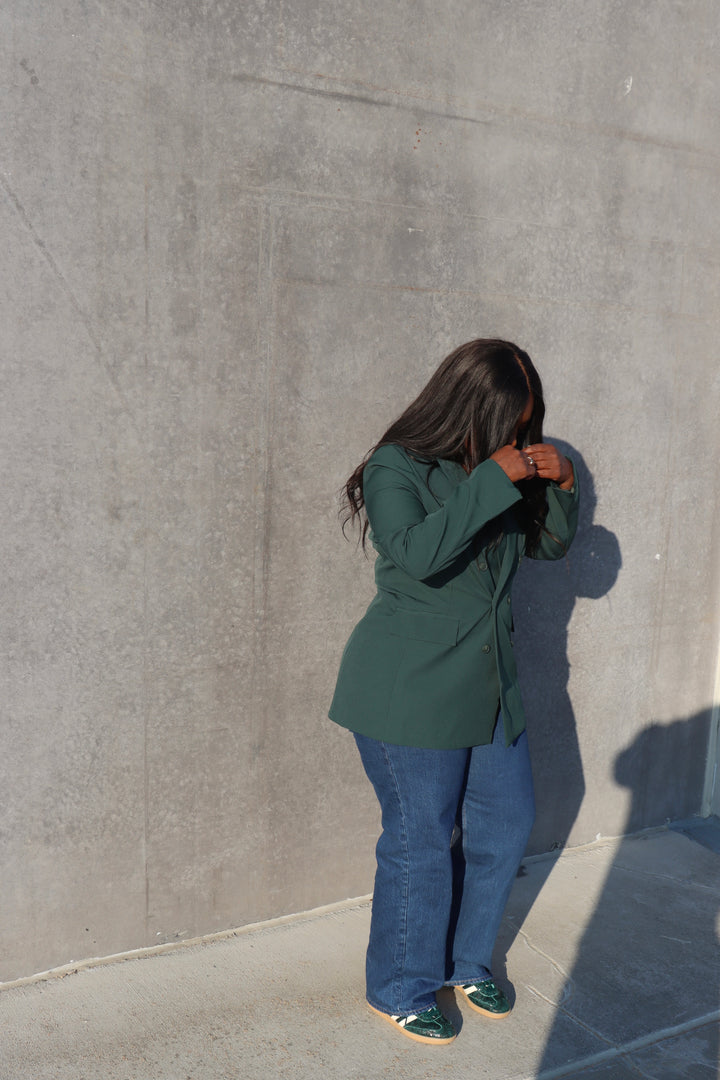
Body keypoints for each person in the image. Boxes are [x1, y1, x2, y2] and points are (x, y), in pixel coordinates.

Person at [329, 338, 579, 1045]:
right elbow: (416, 554)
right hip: (409, 690)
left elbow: (550, 547)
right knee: (421, 840)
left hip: (490, 682)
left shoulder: (497, 469)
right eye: (509, 420)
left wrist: (561, 486)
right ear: (470, 406)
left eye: (527, 425)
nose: (518, 437)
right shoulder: (395, 466)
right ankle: (402, 986)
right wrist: (493, 479)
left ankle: (467, 962)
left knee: (505, 825)